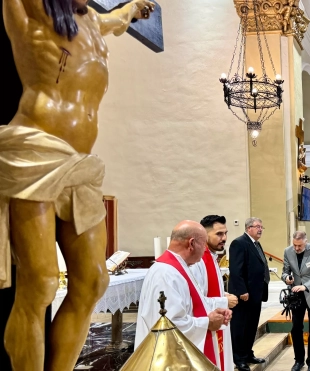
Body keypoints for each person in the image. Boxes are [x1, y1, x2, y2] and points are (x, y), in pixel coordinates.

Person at [0, 0, 154, 369]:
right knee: (39, 284)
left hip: (81, 164)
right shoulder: (34, 11)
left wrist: (134, 8)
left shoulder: (92, 22)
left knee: (92, 282)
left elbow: (117, 18)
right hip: (35, 150)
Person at [135, 221, 233, 368]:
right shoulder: (166, 274)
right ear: (192, 244)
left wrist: (216, 311)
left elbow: (193, 304)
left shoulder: (180, 268)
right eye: (203, 243)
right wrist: (207, 322)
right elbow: (168, 327)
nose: (204, 249)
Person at [190, 215, 239, 371]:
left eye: (225, 233)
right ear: (204, 235)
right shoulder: (198, 261)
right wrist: (224, 302)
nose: (224, 238)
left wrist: (223, 295)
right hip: (206, 325)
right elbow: (196, 299)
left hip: (218, 321)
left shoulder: (211, 256)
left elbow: (210, 288)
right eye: (219, 234)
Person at [228, 217, 270, 371]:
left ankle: (248, 353)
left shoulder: (255, 243)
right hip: (244, 294)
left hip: (256, 293)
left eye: (261, 226)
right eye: (257, 226)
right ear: (248, 228)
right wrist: (241, 290)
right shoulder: (239, 243)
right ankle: (239, 359)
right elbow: (236, 269)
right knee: (240, 326)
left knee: (252, 326)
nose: (260, 229)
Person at [282, 232, 310, 371]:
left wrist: (305, 286)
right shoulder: (287, 251)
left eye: (299, 245)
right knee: (296, 329)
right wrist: (287, 278)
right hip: (296, 295)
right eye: (294, 245)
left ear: (306, 242)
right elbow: (285, 271)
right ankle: (298, 361)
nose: (296, 248)